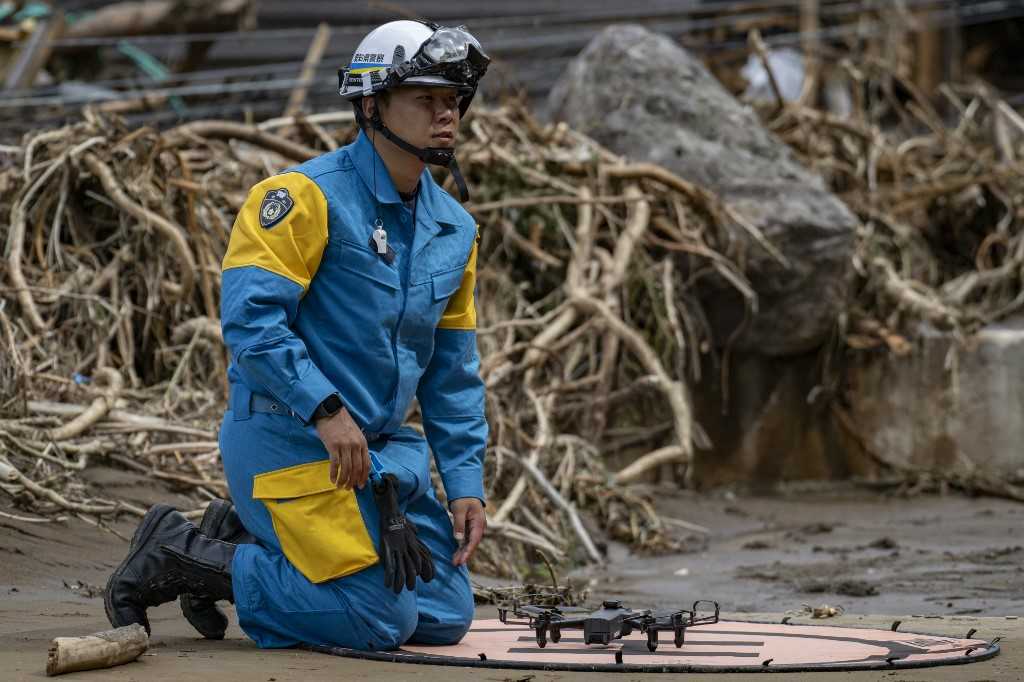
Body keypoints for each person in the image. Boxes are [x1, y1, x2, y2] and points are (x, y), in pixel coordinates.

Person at [103, 19, 491, 651]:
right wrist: (325, 407)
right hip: (290, 434)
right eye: (426, 99)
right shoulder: (300, 197)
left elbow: (453, 373)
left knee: (444, 614)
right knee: (378, 619)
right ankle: (186, 554)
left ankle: (243, 539)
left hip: (376, 454)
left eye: (453, 101)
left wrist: (466, 485)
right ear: (371, 104)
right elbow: (251, 324)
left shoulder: (455, 229)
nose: (446, 115)